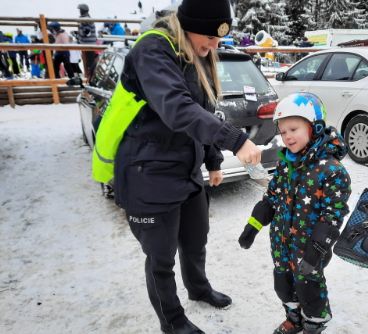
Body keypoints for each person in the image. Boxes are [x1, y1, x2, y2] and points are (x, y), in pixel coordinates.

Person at [98, 0, 262, 333]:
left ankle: (198, 288)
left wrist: (214, 160)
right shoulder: (153, 51)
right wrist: (235, 141)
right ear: (189, 25)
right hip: (148, 172)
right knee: (161, 257)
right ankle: (172, 322)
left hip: (185, 169)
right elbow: (178, 109)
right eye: (211, 37)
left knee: (195, 238)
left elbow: (204, 110)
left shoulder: (194, 55)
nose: (215, 46)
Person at [238, 92, 351, 334]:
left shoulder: (331, 171)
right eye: (283, 131)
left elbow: (332, 217)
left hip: (309, 247)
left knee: (309, 287)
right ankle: (293, 317)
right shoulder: (286, 163)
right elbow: (271, 197)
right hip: (281, 243)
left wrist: (316, 251)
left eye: (294, 129)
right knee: (283, 284)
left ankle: (314, 321)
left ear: (314, 127)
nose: (287, 136)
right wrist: (253, 226)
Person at [76, 3, 97, 78]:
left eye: (80, 10)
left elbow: (87, 32)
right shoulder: (85, 18)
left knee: (90, 63)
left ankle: (92, 78)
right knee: (88, 62)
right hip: (88, 43)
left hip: (89, 44)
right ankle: (90, 77)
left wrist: (80, 33)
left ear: (83, 11)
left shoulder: (86, 19)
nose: (79, 11)